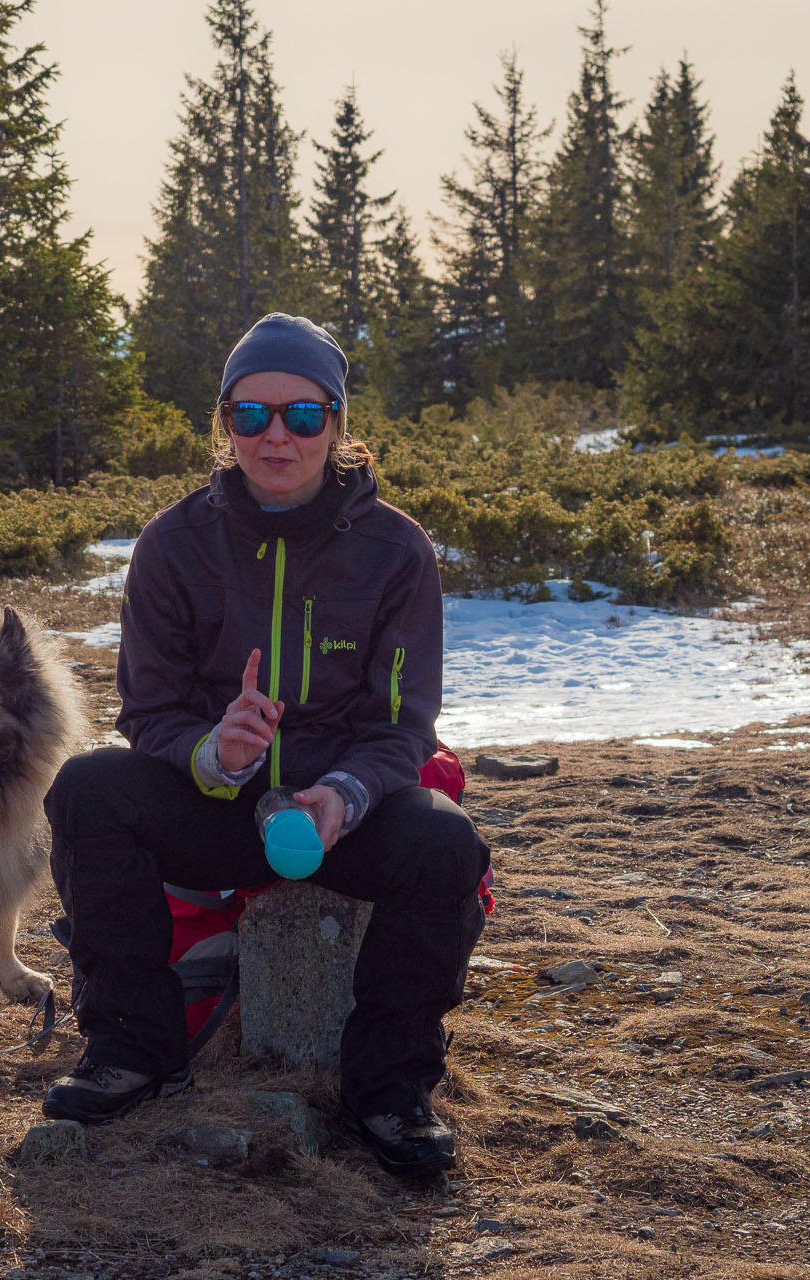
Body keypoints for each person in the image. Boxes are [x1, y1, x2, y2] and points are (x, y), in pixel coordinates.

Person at [41, 312, 489, 1176]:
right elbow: (150, 709)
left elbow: (404, 727)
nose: (275, 436)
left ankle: (390, 1089)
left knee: (443, 844)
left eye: (302, 416)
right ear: (225, 423)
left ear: (337, 424)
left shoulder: (396, 551)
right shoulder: (174, 544)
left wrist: (344, 796)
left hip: (341, 816)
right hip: (218, 807)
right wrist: (215, 754)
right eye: (251, 415)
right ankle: (132, 1044)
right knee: (90, 789)